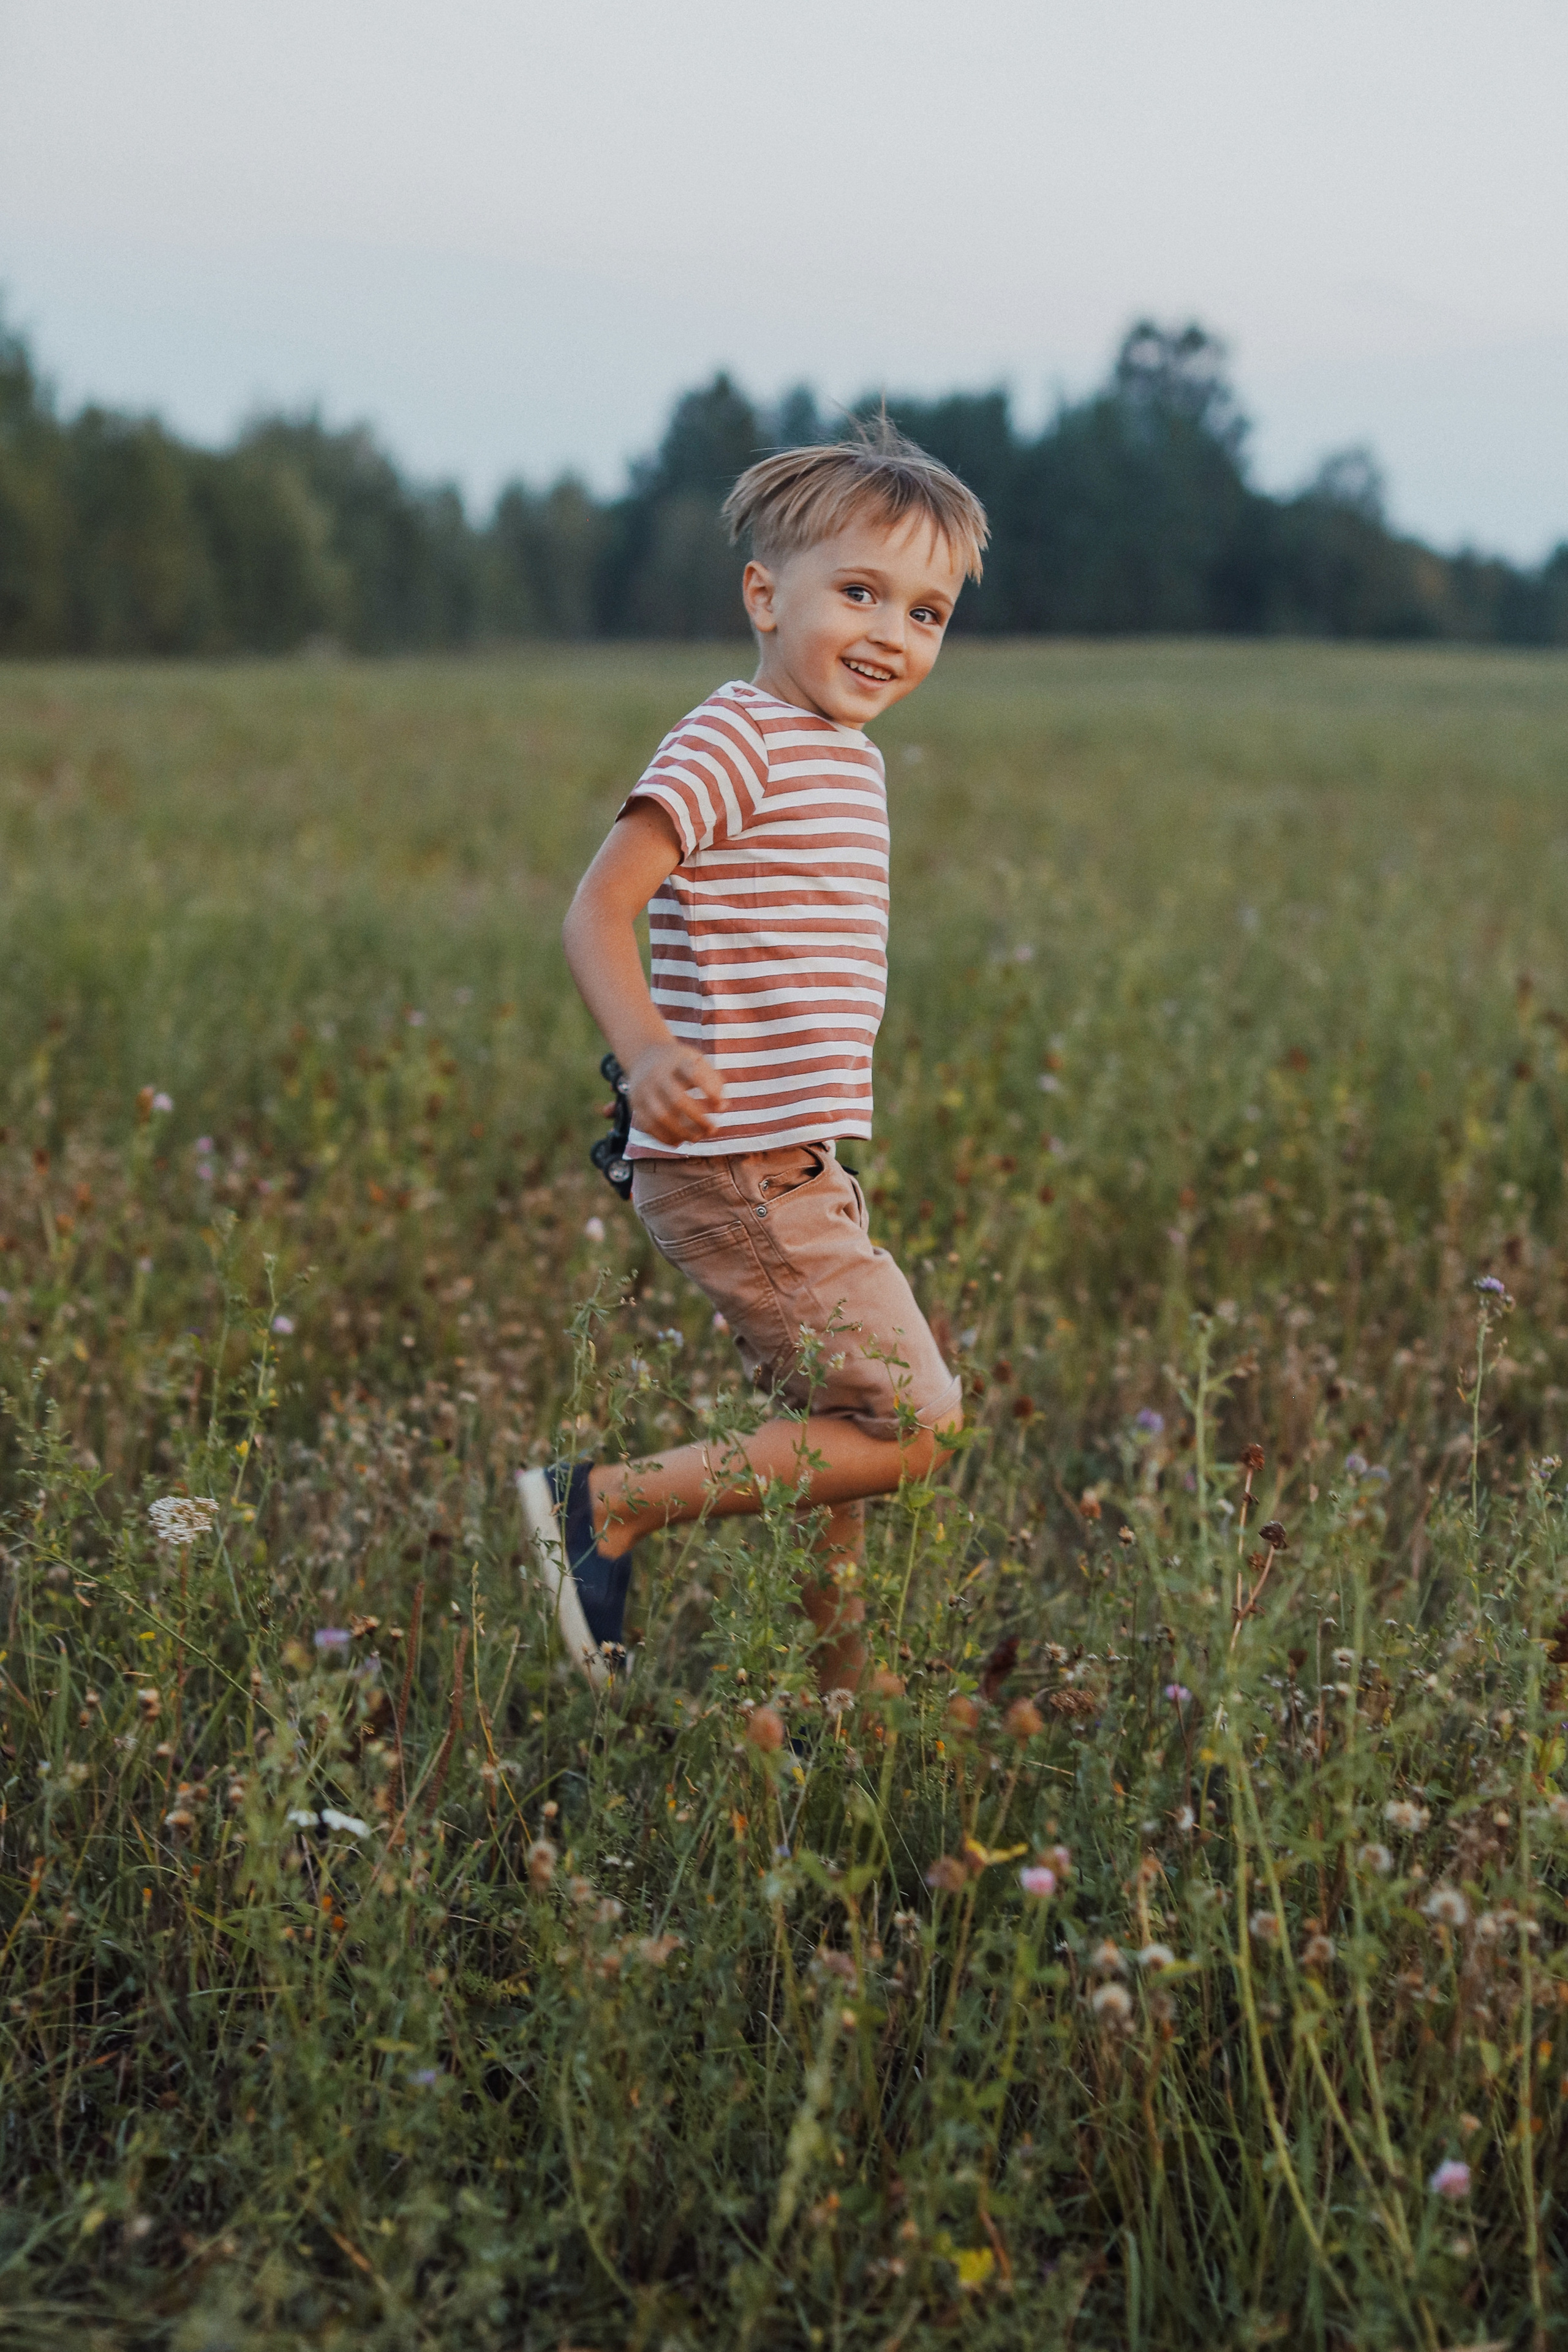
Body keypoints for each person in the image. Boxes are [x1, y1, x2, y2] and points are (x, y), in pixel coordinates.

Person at [518, 418, 987, 1695]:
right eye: (858, 593)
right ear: (761, 595)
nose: (892, 633)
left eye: (927, 611)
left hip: (791, 1161)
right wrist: (649, 1047)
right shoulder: (734, 737)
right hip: (735, 1160)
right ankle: (603, 1506)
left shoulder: (844, 753)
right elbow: (596, 908)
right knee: (914, 1423)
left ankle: (842, 1693)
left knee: (836, 1427)